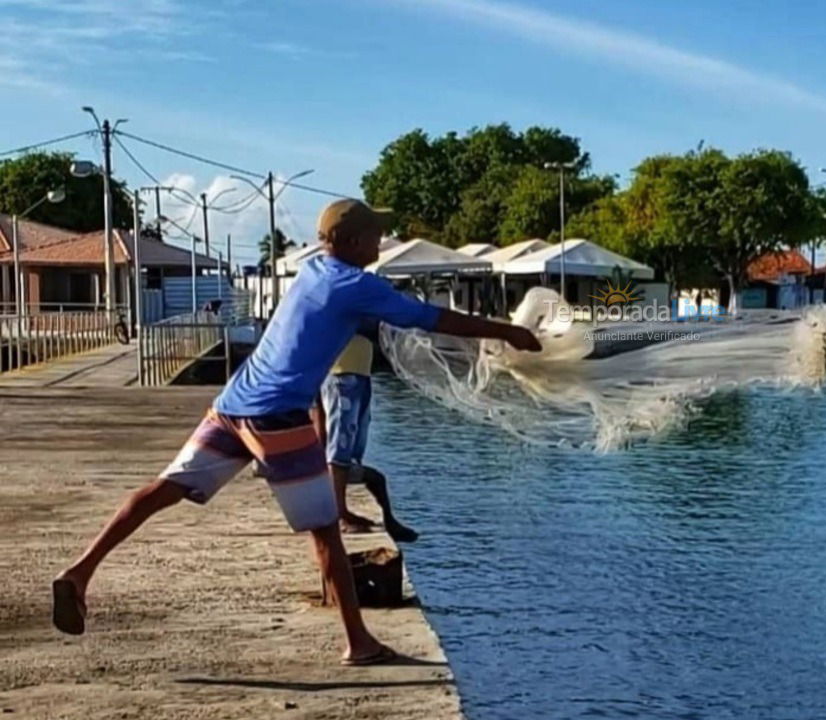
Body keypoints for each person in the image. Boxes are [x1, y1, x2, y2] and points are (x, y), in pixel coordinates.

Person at [51, 199, 541, 665]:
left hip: (232, 405)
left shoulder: (311, 271)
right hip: (277, 416)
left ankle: (81, 570)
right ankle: (359, 643)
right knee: (326, 531)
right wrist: (509, 332)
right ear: (350, 240)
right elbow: (434, 318)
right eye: (375, 233)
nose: (382, 239)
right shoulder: (354, 283)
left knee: (165, 489)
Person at [316, 329, 419, 541]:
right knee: (340, 447)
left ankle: (387, 521)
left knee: (367, 469)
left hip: (359, 372)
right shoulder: (345, 300)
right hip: (341, 372)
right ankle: (339, 516)